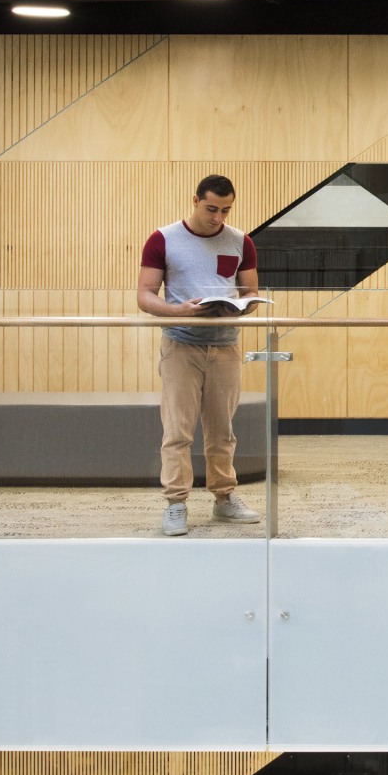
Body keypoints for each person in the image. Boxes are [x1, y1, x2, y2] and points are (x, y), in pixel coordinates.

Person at [138, 175, 262, 536]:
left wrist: (239, 309)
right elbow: (145, 295)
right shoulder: (163, 239)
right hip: (181, 345)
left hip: (225, 345)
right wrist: (179, 311)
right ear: (195, 200)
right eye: (211, 209)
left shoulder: (241, 241)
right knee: (177, 430)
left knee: (222, 431)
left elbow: (249, 292)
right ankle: (176, 503)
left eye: (225, 210)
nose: (217, 217)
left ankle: (224, 499)